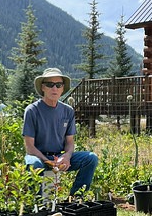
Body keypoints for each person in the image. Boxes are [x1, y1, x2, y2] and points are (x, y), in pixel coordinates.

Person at [23, 67, 98, 195]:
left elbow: (69, 142)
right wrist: (47, 161)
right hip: (38, 157)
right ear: (43, 87)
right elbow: (29, 147)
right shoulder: (32, 110)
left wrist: (67, 156)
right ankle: (37, 204)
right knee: (34, 164)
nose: (54, 88)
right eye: (50, 84)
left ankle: (76, 198)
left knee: (91, 158)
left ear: (63, 88)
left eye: (58, 85)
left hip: (58, 157)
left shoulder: (68, 111)